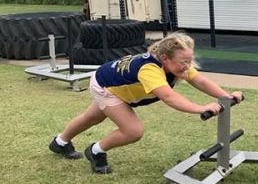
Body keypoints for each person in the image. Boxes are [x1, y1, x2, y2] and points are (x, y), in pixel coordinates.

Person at [49, 31, 243, 174]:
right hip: (105, 86)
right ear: (165, 58)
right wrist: (201, 108)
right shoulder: (150, 70)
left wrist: (225, 96)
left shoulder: (177, 64)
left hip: (118, 86)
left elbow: (199, 80)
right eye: (183, 62)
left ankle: (60, 142)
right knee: (133, 131)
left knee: (91, 118)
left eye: (189, 61)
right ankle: (95, 151)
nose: (187, 66)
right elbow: (168, 97)